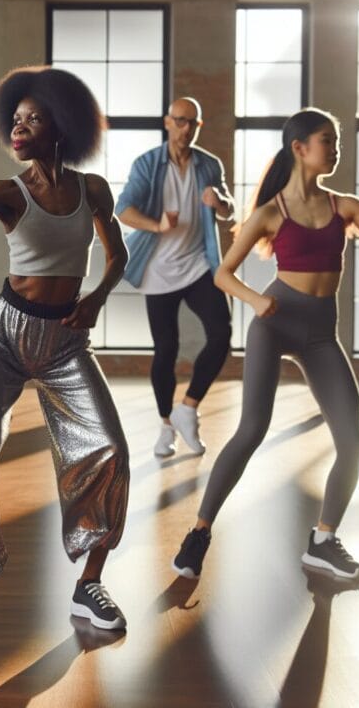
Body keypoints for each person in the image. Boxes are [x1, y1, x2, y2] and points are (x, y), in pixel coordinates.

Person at [0, 67, 130, 639]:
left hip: (67, 341)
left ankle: (90, 584)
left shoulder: (93, 189)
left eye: (32, 118)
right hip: (7, 338)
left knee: (109, 448)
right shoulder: (6, 194)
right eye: (15, 119)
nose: (19, 128)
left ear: (60, 125)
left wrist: (96, 299)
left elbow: (118, 257)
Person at [171, 108, 359, 581]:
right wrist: (256, 300)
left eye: (336, 141)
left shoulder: (345, 207)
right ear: (299, 148)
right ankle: (199, 532)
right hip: (276, 322)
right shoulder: (270, 213)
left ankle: (322, 540)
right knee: (252, 429)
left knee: (353, 443)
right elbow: (223, 274)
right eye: (327, 140)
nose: (335, 149)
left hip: (321, 334)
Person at [116, 96, 234, 458]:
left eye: (191, 123)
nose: (184, 129)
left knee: (222, 334)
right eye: (179, 121)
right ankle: (166, 425)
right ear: (168, 122)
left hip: (198, 264)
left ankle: (188, 409)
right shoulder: (148, 164)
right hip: (158, 269)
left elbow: (229, 209)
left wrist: (221, 204)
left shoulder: (208, 165)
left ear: (197, 127)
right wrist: (156, 224)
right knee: (166, 348)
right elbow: (123, 209)